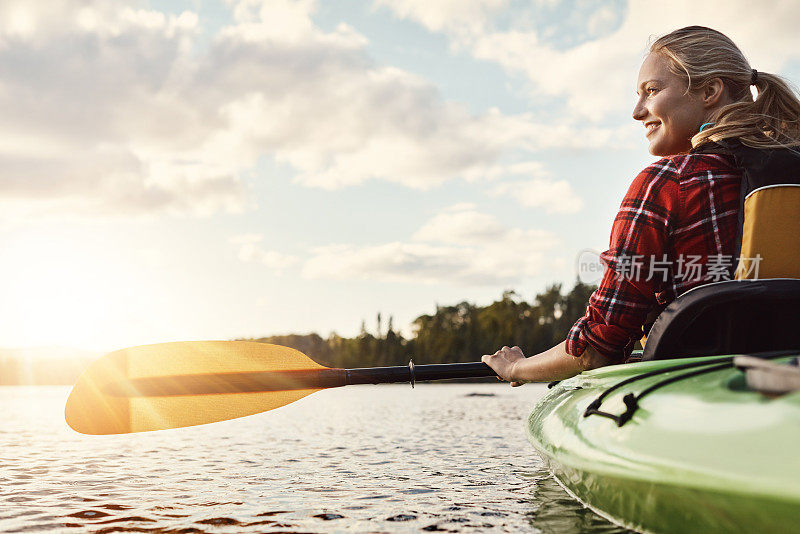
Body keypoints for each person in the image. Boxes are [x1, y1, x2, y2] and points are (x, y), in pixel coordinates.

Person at [482, 26, 800, 385]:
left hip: (692, 387)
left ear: (710, 91)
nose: (637, 111)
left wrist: (515, 368)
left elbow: (597, 348)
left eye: (652, 90)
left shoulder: (667, 182)